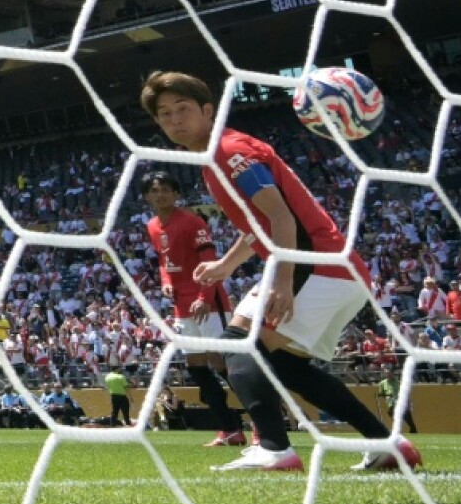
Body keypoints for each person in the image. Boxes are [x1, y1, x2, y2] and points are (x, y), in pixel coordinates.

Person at [140, 71, 421, 472]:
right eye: (164, 115)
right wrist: (226, 265)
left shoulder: (227, 150)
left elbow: (280, 216)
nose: (174, 120)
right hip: (335, 269)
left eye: (182, 109)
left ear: (208, 110)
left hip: (316, 265)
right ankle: (386, 444)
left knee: (240, 344)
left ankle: (274, 448)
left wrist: (284, 281)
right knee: (286, 366)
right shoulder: (215, 157)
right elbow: (259, 224)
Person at [141, 170, 244, 447]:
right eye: (154, 190)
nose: (160, 194)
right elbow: (164, 261)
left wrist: (204, 296)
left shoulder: (192, 222)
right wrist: (165, 282)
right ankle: (229, 429)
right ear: (147, 197)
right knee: (196, 366)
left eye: (165, 189)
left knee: (222, 362)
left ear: (176, 194)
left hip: (208, 303)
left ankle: (262, 425)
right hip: (181, 306)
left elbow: (210, 260)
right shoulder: (152, 226)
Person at [377, 365, 417, 434]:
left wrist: (408, 403)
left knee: (409, 419)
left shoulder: (399, 382)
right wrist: (384, 396)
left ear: (392, 373)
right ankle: (398, 431)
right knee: (396, 417)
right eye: (386, 374)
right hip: (391, 404)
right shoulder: (382, 383)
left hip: (401, 403)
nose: (388, 375)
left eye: (389, 373)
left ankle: (413, 430)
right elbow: (381, 394)